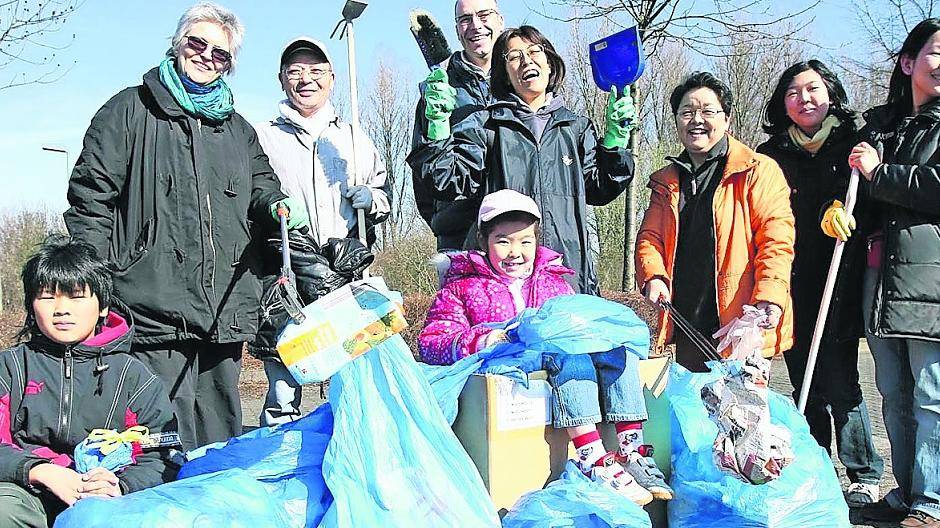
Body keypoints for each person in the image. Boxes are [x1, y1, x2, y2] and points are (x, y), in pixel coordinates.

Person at [64, 2, 306, 451]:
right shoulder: (127, 111)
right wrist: (95, 285)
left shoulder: (238, 129)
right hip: (151, 307)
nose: (206, 56)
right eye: (198, 43)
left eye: (220, 53)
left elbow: (261, 185)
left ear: (229, 66)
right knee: (158, 441)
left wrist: (276, 205)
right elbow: (90, 200)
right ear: (177, 44)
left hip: (224, 310)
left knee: (222, 441)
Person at [419, 189, 672, 505]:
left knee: (615, 351)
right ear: (484, 241)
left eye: (525, 241)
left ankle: (631, 449)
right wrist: (483, 340)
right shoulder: (462, 288)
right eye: (503, 241)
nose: (515, 251)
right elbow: (432, 343)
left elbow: (576, 324)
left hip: (553, 367)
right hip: (509, 370)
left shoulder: (555, 282)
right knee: (569, 357)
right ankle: (592, 456)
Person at [408, 25, 635, 294]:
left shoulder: (576, 128)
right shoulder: (487, 127)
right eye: (514, 57)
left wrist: (614, 144)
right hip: (506, 285)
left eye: (534, 51)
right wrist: (436, 129)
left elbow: (599, 189)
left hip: (569, 278)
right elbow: (448, 182)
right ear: (504, 75)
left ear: (550, 64)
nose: (526, 60)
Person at [756, 60, 884, 507]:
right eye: (793, 92)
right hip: (791, 280)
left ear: (830, 92)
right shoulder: (770, 154)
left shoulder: (853, 145)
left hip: (839, 277)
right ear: (782, 103)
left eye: (813, 89)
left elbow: (876, 203)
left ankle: (863, 471)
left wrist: (852, 215)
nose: (804, 99)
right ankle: (815, 460)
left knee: (840, 380)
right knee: (801, 379)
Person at [251, 37, 390, 427]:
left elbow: (386, 196)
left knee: (350, 380)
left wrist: (373, 199)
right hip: (286, 269)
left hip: (342, 272)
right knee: (284, 377)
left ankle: (348, 450)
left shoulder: (354, 136)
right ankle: (276, 459)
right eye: (295, 71)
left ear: (331, 78)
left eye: (315, 71)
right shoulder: (262, 137)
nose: (305, 79)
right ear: (282, 80)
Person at [0, 237, 177, 528]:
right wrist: (38, 470)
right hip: (28, 492)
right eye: (47, 296)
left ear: (103, 306)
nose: (61, 309)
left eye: (77, 296)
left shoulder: (134, 376)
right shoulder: (10, 367)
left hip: (110, 500)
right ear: (31, 306)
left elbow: (162, 455)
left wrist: (120, 486)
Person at [845, 18, 940, 528]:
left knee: (932, 394)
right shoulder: (881, 126)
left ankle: (933, 503)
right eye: (937, 52)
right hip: (880, 279)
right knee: (895, 393)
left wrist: (880, 173)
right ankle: (906, 494)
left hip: (932, 280)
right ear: (908, 63)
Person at [635, 72, 795, 371]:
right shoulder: (666, 181)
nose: (697, 119)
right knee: (694, 414)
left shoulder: (758, 171)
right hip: (687, 324)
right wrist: (653, 276)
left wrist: (769, 297)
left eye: (708, 111)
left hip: (743, 324)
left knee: (740, 414)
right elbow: (649, 239)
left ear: (727, 119)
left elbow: (776, 242)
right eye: (687, 112)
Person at [411, 0, 505, 251]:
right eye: (465, 19)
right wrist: (444, 220)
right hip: (459, 241)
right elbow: (423, 171)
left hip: (518, 237)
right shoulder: (437, 90)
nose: (475, 25)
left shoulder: (521, 79)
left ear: (500, 21)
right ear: (456, 30)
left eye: (484, 15)